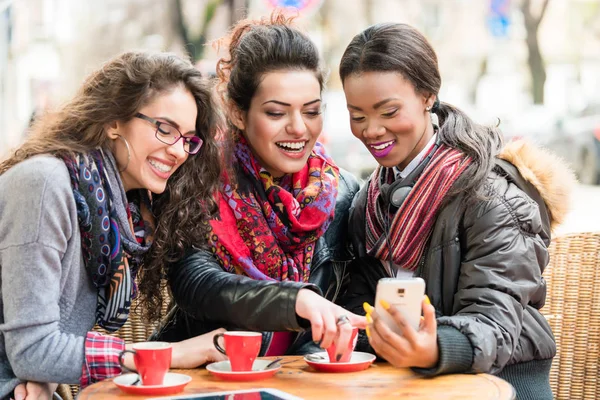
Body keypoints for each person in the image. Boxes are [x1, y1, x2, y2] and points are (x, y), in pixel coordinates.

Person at [337, 23, 575, 399]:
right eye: (358, 116)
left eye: (388, 111)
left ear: (428, 95)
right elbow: (362, 305)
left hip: (501, 383)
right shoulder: (368, 203)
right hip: (405, 383)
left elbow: (494, 323)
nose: (372, 131)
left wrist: (433, 347)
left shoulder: (490, 196)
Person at [0, 51, 228, 399]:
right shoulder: (45, 184)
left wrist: (44, 378)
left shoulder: (126, 218)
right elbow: (32, 350)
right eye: (165, 129)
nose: (180, 151)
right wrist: (171, 355)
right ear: (114, 121)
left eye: (187, 139)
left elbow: (42, 349)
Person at [152, 13, 366, 358]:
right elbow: (196, 283)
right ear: (238, 113)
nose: (299, 129)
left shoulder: (344, 194)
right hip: (206, 379)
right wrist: (295, 301)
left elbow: (354, 299)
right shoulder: (199, 180)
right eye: (276, 113)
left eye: (311, 111)